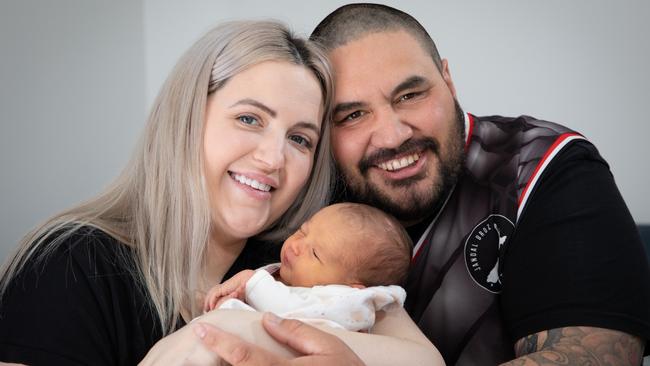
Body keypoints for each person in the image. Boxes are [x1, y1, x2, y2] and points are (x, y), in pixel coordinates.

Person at [196, 3, 650, 365]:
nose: (393, 135)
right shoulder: (302, 189)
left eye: (410, 95)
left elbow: (594, 354)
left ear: (447, 79)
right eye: (353, 115)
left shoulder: (541, 168)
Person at [0, 19, 442, 366]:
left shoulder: (298, 259)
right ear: (187, 118)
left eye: (300, 139)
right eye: (249, 119)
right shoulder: (68, 267)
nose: (273, 159)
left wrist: (225, 330)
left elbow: (424, 360)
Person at [204, 202, 411, 332]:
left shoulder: (340, 307)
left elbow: (286, 310)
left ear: (351, 290)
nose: (295, 246)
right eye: (303, 231)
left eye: (315, 254)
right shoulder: (294, 277)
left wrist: (251, 281)